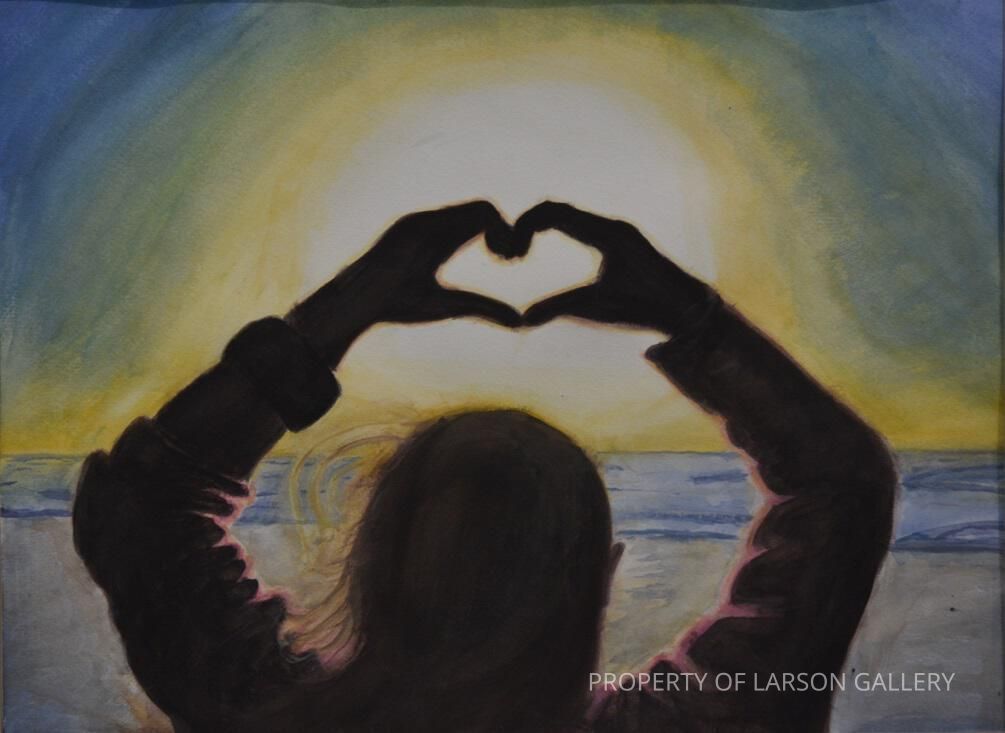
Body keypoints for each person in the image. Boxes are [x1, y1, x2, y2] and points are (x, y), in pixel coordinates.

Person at [73, 200, 896, 733]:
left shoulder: (259, 710)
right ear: (604, 575)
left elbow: (142, 511)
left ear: (370, 559)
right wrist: (693, 319)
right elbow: (842, 486)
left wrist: (344, 308)